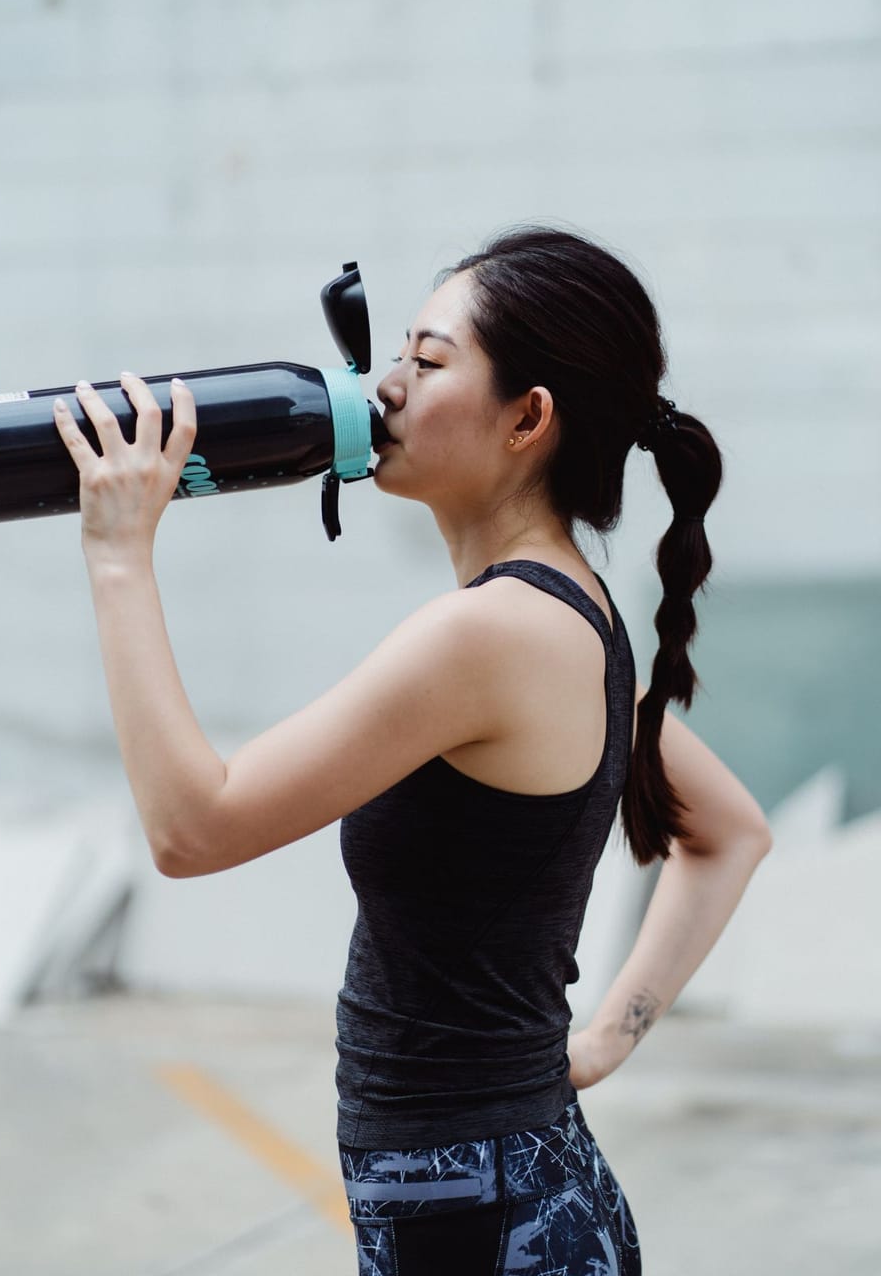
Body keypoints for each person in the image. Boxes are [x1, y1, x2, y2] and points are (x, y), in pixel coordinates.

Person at [54, 225, 772, 1275]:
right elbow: (735, 833)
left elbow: (191, 827)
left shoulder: (488, 636)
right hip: (505, 1201)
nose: (383, 388)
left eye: (427, 363)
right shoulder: (572, 618)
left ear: (528, 418)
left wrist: (120, 557)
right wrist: (608, 1039)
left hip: (481, 1224)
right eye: (394, 355)